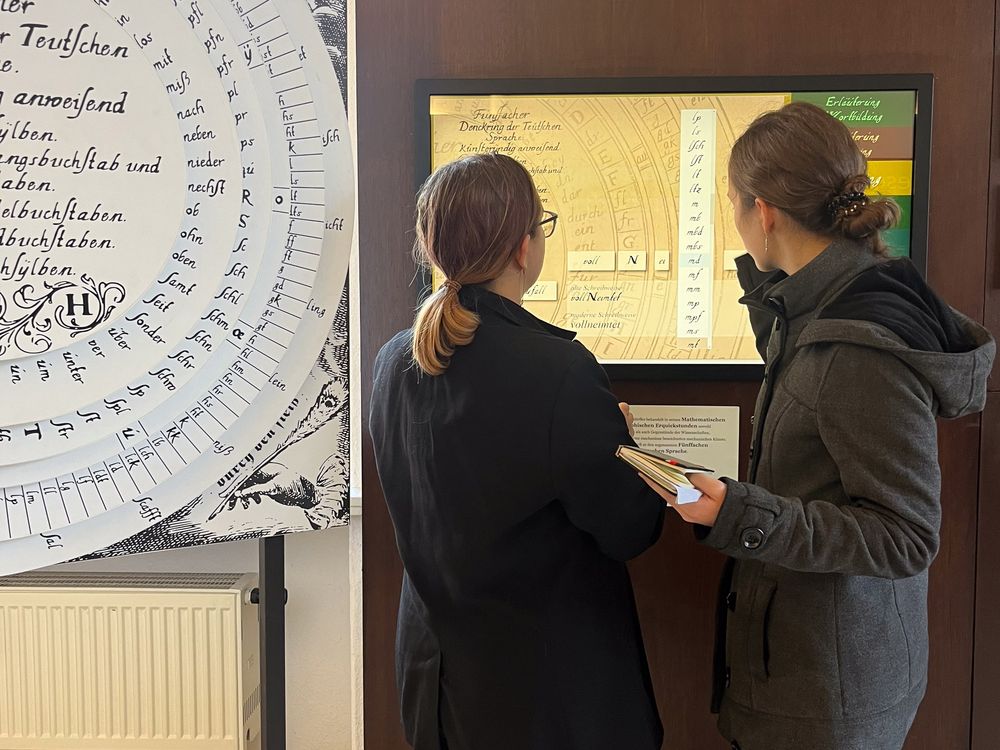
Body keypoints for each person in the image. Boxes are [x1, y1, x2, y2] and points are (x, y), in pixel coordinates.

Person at [635, 101, 996, 750]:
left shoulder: (859, 340)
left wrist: (741, 514)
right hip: (811, 673)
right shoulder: (819, 301)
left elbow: (906, 536)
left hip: (829, 701)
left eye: (733, 203)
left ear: (763, 211)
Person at [369, 152, 666, 750]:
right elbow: (631, 528)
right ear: (524, 248)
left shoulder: (391, 361)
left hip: (436, 683)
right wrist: (624, 443)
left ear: (432, 249)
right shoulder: (558, 372)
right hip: (543, 696)